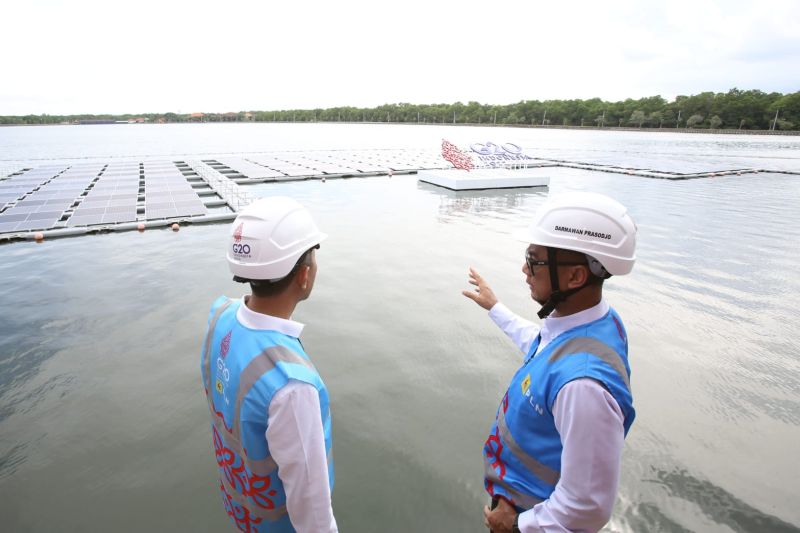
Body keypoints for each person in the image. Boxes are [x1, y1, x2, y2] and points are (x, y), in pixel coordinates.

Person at [462, 192, 637, 533]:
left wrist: (517, 525)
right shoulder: (594, 323)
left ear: (575, 278)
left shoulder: (583, 388)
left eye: (536, 260)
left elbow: (587, 506)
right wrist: (495, 308)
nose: (525, 269)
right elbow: (543, 346)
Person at [200, 196, 337, 533]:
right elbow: (313, 514)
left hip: (241, 512)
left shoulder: (219, 314)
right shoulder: (292, 386)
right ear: (304, 276)